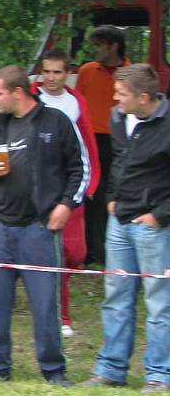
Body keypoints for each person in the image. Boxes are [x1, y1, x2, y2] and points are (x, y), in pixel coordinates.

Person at [0, 65, 85, 386]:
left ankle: (54, 372)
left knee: (44, 306)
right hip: (0, 224)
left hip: (38, 227)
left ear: (17, 92)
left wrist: (66, 205)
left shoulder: (55, 122)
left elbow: (81, 169)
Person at [83, 64, 170, 393]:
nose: (114, 99)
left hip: (154, 226)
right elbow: (118, 162)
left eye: (121, 94)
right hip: (119, 221)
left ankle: (160, 375)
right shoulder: (119, 118)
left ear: (143, 97)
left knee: (160, 302)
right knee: (116, 296)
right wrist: (112, 199)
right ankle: (110, 369)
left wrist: (159, 216)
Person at [31, 48, 100, 337]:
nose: (51, 78)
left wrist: (91, 180)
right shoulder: (31, 97)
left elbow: (87, 142)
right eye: (46, 71)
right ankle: (61, 316)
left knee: (74, 251)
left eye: (57, 72)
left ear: (67, 73)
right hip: (38, 185)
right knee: (50, 253)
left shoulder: (75, 101)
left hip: (70, 183)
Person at [76, 25, 129, 264]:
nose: (95, 49)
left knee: (115, 193)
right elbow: (78, 104)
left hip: (119, 141)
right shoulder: (87, 71)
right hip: (91, 140)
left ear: (113, 46)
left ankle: (111, 252)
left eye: (99, 45)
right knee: (91, 193)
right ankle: (89, 250)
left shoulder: (130, 72)